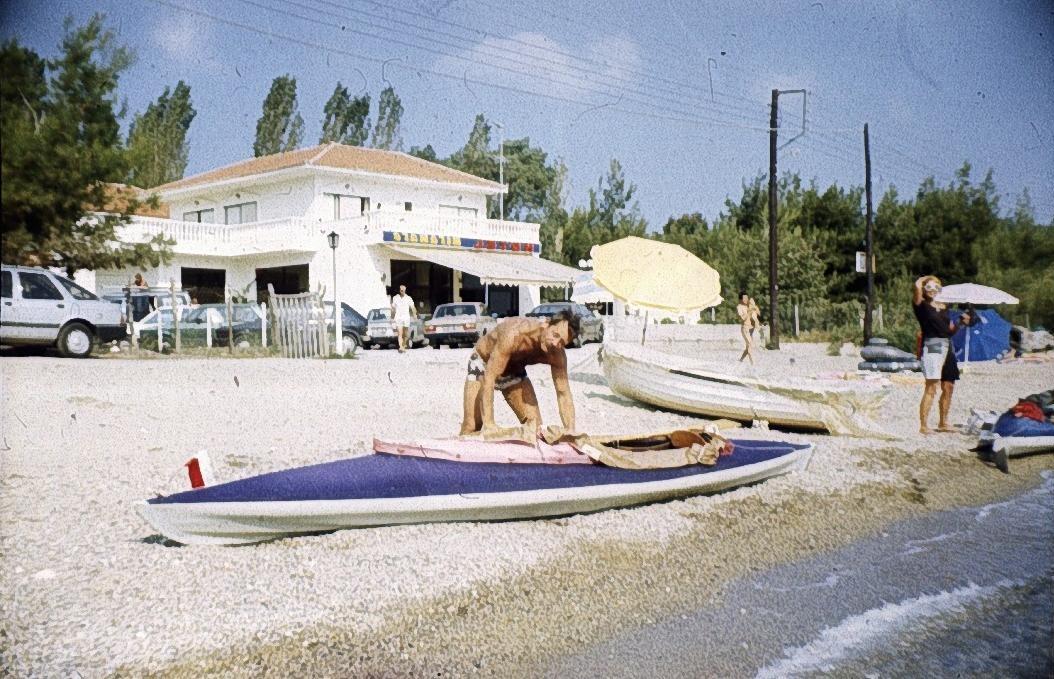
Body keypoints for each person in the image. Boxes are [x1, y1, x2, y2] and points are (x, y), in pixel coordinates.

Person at [460, 309, 580, 436]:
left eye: (562, 342)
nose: (555, 343)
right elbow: (489, 377)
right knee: (472, 426)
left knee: (536, 429)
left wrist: (570, 429)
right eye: (555, 335)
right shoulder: (514, 333)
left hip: (513, 370)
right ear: (546, 324)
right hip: (484, 364)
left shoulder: (557, 353)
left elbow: (563, 392)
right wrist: (489, 424)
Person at [913, 275, 972, 434]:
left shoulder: (945, 306)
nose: (932, 290)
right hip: (932, 345)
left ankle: (943, 422)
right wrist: (927, 278)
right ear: (924, 290)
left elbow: (950, 331)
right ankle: (924, 426)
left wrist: (960, 322)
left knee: (949, 386)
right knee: (932, 386)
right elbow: (917, 285)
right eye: (929, 287)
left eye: (936, 287)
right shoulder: (921, 305)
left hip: (947, 345)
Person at [390, 285, 417, 352]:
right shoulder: (395, 298)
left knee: (406, 335)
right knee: (400, 333)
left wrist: (414, 315)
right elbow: (393, 308)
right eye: (401, 290)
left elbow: (413, 307)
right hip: (398, 318)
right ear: (399, 290)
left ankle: (404, 344)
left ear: (405, 290)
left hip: (406, 318)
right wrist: (392, 316)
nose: (402, 291)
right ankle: (401, 347)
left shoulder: (409, 298)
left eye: (403, 290)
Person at [737, 292, 761, 364]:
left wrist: (755, 308)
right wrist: (749, 311)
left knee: (748, 346)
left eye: (747, 297)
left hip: (752, 329)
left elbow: (759, 314)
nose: (746, 299)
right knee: (750, 344)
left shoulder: (749, 304)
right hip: (745, 328)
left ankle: (740, 360)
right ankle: (752, 363)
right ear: (741, 299)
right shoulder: (739, 307)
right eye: (744, 298)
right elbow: (743, 318)